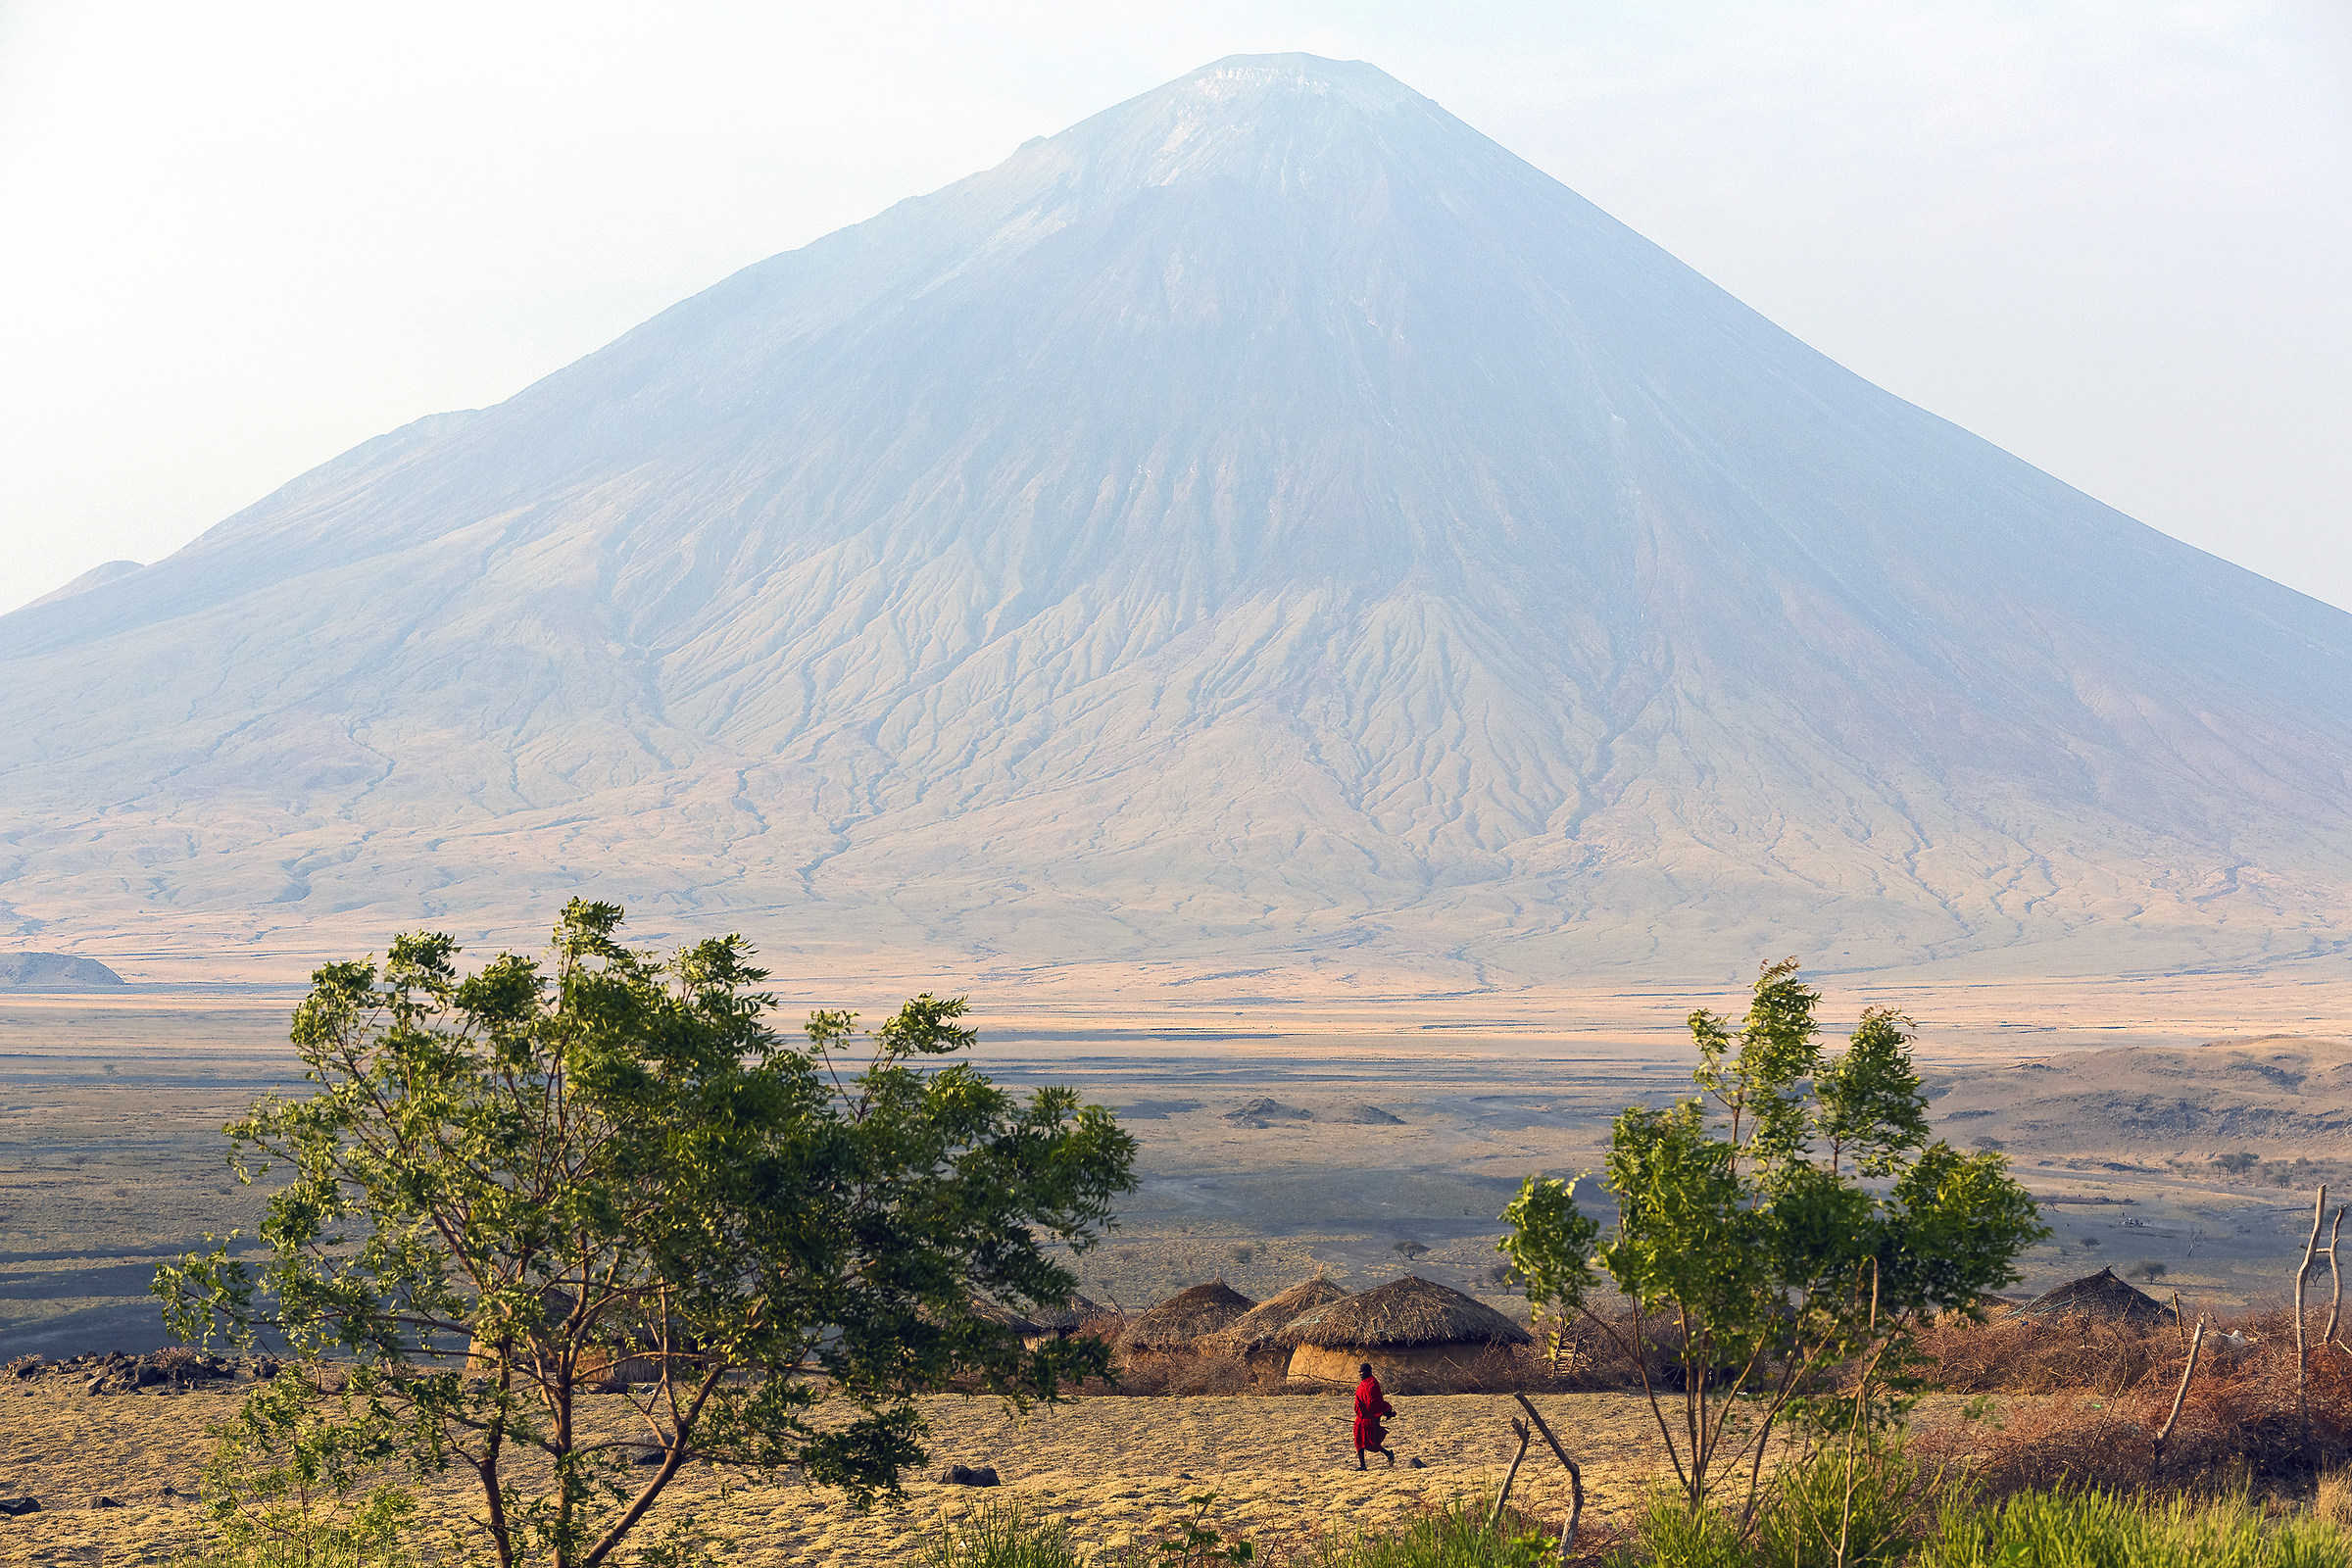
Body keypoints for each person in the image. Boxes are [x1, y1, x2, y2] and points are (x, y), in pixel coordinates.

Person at [1352, 1361, 1396, 1469]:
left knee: (1371, 1443)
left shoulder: (1373, 1384)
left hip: (1371, 1418)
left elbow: (1376, 1402)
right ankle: (1363, 1466)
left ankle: (1388, 1454)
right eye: (1359, 1372)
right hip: (1361, 1417)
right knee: (1358, 1439)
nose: (1360, 1374)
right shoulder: (1362, 1384)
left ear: (1367, 1372)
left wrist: (1385, 1412)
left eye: (1361, 1372)